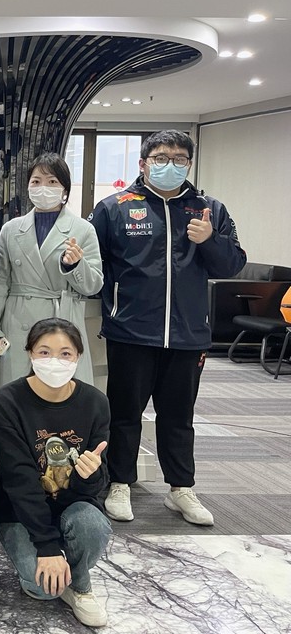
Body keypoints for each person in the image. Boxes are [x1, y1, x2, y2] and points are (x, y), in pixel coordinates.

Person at [90, 130, 246, 526]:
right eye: (161, 157)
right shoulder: (114, 208)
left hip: (188, 334)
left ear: (189, 164)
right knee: (124, 414)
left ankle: (181, 488)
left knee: (178, 416)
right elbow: (94, 266)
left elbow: (232, 265)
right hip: (130, 331)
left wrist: (210, 240)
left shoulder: (209, 209)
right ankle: (119, 483)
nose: (170, 165)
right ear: (143, 163)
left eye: (179, 158)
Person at [0, 318, 112, 628]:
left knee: (92, 525)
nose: (54, 361)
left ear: (78, 356)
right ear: (30, 353)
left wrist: (89, 475)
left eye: (65, 353)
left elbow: (97, 486)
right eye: (44, 352)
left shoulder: (95, 403)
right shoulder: (7, 402)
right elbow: (19, 481)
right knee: (42, 588)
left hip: (73, 506)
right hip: (19, 512)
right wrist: (46, 547)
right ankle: (61, 570)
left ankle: (80, 586)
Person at [0, 153, 103, 390]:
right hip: (18, 318)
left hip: (62, 318)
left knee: (64, 390)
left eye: (52, 182)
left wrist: (74, 265)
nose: (43, 188)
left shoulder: (83, 229)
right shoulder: (11, 229)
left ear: (64, 189)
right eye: (36, 181)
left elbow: (93, 285)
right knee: (16, 390)